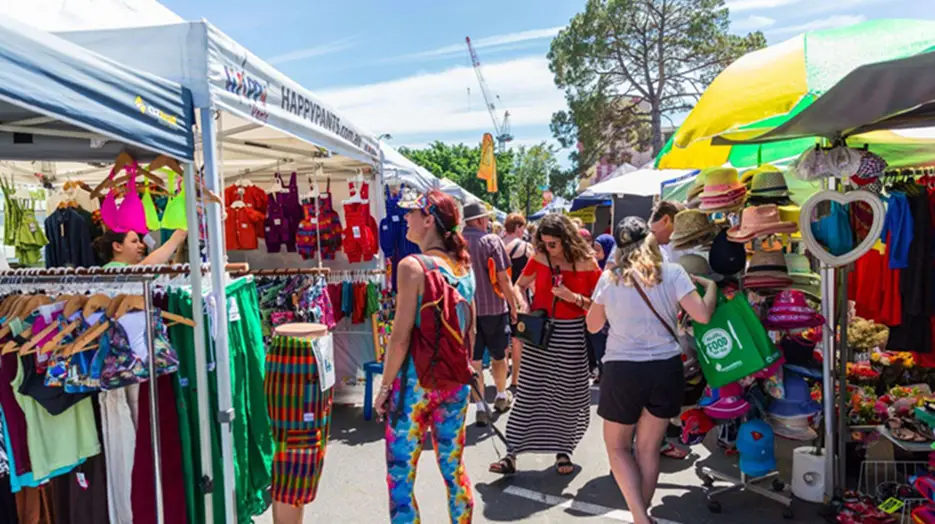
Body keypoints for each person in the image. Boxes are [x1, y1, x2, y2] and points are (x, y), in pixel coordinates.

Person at [587, 217, 717, 524]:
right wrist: (710, 288)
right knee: (647, 450)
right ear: (650, 241)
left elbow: (593, 325)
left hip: (623, 370)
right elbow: (702, 315)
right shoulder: (673, 272)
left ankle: (640, 518)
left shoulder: (610, 278)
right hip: (665, 368)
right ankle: (640, 517)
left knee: (617, 446)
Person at [374, 190, 475, 524]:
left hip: (414, 386)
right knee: (454, 468)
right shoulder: (463, 267)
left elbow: (400, 338)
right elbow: (468, 331)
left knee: (401, 476)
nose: (405, 218)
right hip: (455, 382)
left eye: (411, 213)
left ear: (429, 219)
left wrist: (385, 388)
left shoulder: (412, 266)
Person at [490, 213, 600, 476]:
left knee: (566, 397)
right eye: (544, 243)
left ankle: (564, 450)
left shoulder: (587, 263)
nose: (547, 248)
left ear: (567, 240)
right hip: (540, 332)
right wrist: (522, 302)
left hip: (571, 333)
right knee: (529, 392)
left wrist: (572, 297)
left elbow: (597, 305)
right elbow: (519, 285)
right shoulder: (540, 257)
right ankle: (511, 453)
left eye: (553, 244)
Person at [462, 202, 518, 426]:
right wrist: (514, 306)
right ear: (480, 220)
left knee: (475, 360)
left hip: (467, 313)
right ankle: (501, 396)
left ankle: (480, 406)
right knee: (498, 355)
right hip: (494, 308)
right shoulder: (491, 241)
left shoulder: (456, 243)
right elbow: (503, 278)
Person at [503, 213, 533, 389]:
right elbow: (532, 277)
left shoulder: (498, 244)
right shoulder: (525, 248)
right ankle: (515, 379)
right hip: (519, 297)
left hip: (499, 298)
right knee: (517, 339)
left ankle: (501, 372)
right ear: (518, 227)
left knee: (502, 339)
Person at [587, 234, 616, 382]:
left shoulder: (612, 272)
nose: (595, 253)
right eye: (594, 249)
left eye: (599, 249)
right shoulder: (592, 266)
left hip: (610, 319)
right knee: (599, 349)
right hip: (597, 318)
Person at [94, 229, 188, 268]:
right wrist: (175, 239)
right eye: (134, 242)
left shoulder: (132, 268)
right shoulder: (111, 269)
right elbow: (147, 266)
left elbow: (171, 274)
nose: (142, 246)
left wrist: (180, 249)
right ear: (117, 247)